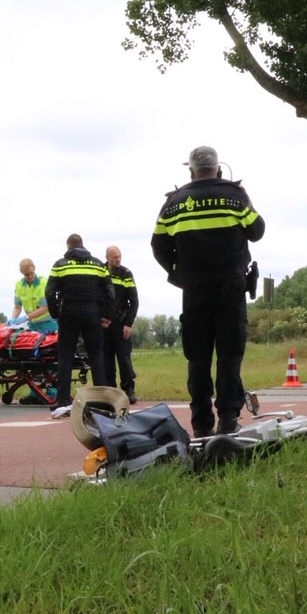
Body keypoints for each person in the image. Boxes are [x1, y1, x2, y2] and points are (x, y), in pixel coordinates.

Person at [152, 145, 265, 436]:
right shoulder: (234, 195)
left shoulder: (174, 202)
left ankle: (201, 425)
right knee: (229, 356)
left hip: (194, 292)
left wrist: (179, 274)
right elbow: (257, 230)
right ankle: (228, 420)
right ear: (217, 168)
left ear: (190, 171)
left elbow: (158, 245)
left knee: (198, 358)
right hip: (230, 289)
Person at [45, 233, 113, 418]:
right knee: (97, 356)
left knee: (65, 356)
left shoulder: (60, 265)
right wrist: (107, 315)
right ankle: (103, 402)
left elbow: (50, 292)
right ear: (83, 246)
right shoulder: (99, 265)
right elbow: (109, 291)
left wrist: (55, 314)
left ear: (68, 247)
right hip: (92, 313)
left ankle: (62, 400)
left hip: (69, 313)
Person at [104, 245, 139, 404]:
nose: (118, 259)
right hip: (104, 324)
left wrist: (128, 323)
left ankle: (129, 389)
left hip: (121, 323)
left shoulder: (126, 274)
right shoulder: (101, 272)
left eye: (119, 256)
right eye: (114, 257)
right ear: (107, 258)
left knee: (124, 358)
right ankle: (110, 391)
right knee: (107, 359)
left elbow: (134, 301)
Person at [10, 258, 58, 335]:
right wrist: (13, 319)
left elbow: (45, 307)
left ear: (34, 268)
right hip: (32, 324)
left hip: (48, 324)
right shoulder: (19, 285)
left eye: (31, 273)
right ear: (22, 272)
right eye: (26, 274)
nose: (30, 276)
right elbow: (17, 307)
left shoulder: (43, 282)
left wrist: (25, 318)